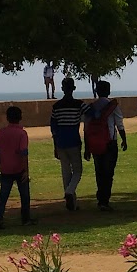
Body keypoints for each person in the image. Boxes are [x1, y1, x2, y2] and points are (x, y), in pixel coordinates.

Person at [84, 80, 127, 211]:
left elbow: (86, 128)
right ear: (109, 91)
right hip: (110, 143)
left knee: (99, 171)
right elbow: (119, 124)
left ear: (96, 91)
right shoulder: (113, 106)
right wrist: (124, 140)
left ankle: (100, 198)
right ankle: (105, 200)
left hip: (95, 143)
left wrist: (87, 148)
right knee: (108, 173)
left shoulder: (91, 107)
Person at [0, 106, 33, 229]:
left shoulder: (1, 132)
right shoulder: (22, 133)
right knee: (24, 195)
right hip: (19, 168)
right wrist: (26, 170)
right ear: (20, 118)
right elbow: (23, 152)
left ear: (7, 118)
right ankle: (25, 219)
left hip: (5, 168)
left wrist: (0, 162)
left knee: (3, 195)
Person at [49, 77, 85, 211]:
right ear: (74, 88)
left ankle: (71, 202)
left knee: (65, 171)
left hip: (60, 142)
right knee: (77, 170)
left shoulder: (56, 106)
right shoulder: (79, 104)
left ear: (62, 89)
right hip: (74, 141)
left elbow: (53, 128)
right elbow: (93, 113)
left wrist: (55, 145)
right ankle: (70, 192)